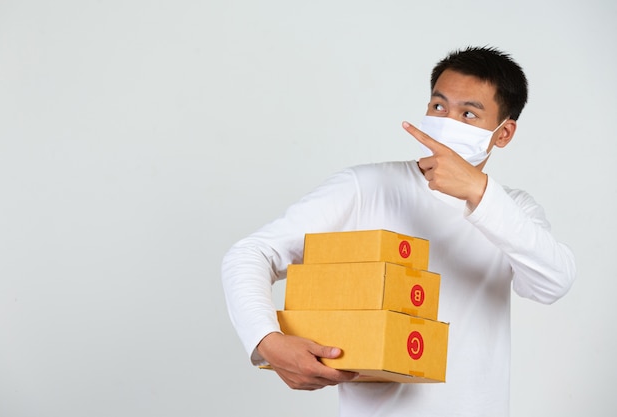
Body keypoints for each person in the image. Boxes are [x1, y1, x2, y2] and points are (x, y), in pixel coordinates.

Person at [221, 46, 576, 416]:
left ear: (503, 134)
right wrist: (267, 340)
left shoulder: (512, 209)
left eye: (468, 113)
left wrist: (479, 193)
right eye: (439, 107)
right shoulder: (365, 187)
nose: (447, 121)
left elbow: (553, 282)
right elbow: (250, 254)